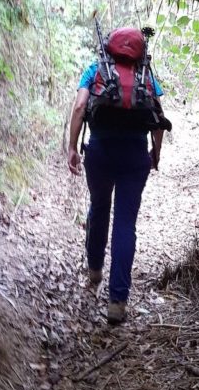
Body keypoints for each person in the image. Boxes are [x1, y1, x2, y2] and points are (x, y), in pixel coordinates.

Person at [67, 26, 166, 324]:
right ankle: (117, 302)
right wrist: (155, 153)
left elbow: (80, 106)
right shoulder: (146, 76)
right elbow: (159, 116)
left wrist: (72, 147)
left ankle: (95, 269)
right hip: (135, 155)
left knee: (99, 207)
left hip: (99, 152)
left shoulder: (95, 70)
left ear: (109, 49)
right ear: (139, 53)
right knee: (125, 223)